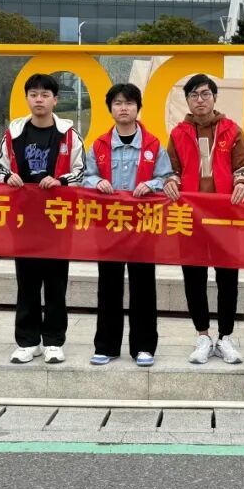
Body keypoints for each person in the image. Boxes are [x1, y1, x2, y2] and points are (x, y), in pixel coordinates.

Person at [164, 73, 244, 365]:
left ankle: (225, 337)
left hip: (226, 217)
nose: (200, 100)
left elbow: (243, 165)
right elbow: (171, 168)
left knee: (228, 278)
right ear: (187, 101)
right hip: (191, 217)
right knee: (194, 277)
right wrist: (171, 181)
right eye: (193, 95)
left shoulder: (231, 130)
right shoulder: (178, 133)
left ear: (214, 98)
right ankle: (202, 335)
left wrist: (241, 182)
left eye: (205, 94)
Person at [0, 73, 85, 365]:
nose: (39, 100)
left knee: (56, 283)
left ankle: (54, 341)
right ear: (27, 98)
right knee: (27, 282)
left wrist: (60, 180)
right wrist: (7, 177)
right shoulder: (13, 133)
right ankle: (27, 341)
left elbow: (82, 172)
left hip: (58, 219)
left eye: (45, 95)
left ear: (55, 100)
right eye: (34, 94)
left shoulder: (69, 135)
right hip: (23, 219)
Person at [83, 83, 173, 367]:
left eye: (129, 103)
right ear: (110, 108)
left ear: (138, 108)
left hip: (143, 226)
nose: (124, 108)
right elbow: (85, 176)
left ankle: (144, 347)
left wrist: (152, 184)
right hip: (109, 226)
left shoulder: (153, 145)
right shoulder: (98, 145)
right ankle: (106, 346)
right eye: (118, 103)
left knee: (143, 286)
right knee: (108, 285)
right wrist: (97, 181)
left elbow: (167, 178)